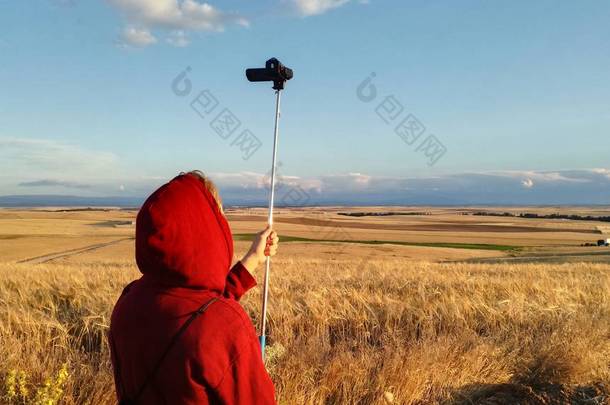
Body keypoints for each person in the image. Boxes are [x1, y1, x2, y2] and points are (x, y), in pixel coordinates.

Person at [109, 171, 278, 404]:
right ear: (204, 229)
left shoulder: (128, 303)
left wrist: (252, 260)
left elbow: (193, 313)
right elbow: (204, 323)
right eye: (216, 215)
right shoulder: (225, 326)